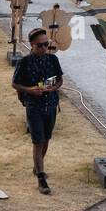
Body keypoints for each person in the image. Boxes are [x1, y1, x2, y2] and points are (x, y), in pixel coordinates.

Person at [12, 27, 63, 195]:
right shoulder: (24, 62)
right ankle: (41, 178)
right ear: (32, 45)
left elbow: (60, 80)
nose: (44, 48)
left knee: (46, 139)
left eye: (46, 44)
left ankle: (37, 167)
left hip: (51, 105)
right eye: (40, 45)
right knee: (37, 141)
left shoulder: (53, 60)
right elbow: (15, 83)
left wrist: (53, 88)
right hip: (34, 107)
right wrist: (30, 90)